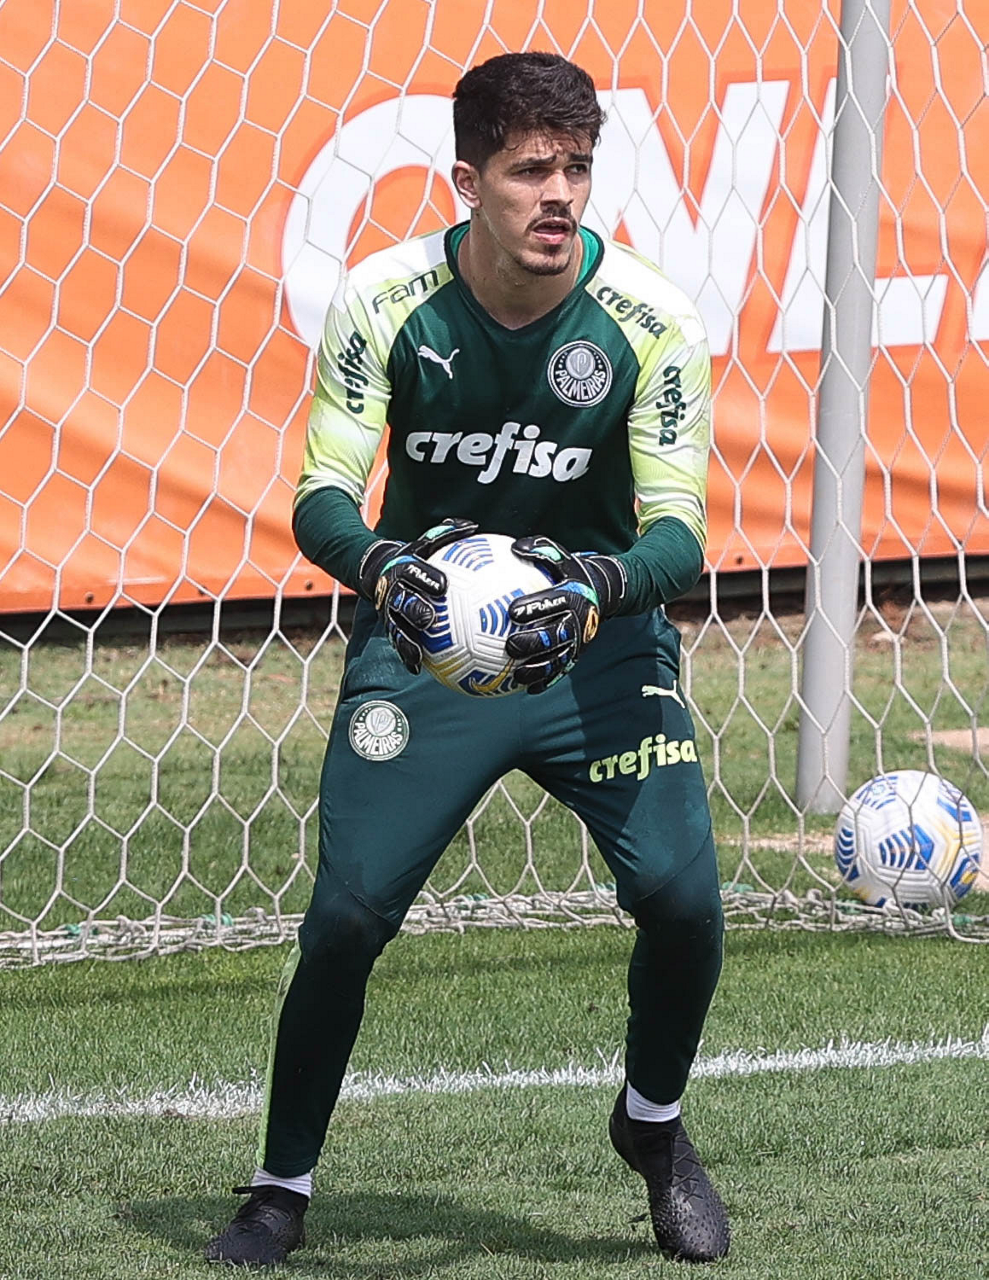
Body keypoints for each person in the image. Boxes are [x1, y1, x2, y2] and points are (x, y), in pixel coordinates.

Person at [205, 50, 729, 1267]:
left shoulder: (651, 320)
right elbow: (320, 497)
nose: (559, 195)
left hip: (596, 653)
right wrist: (383, 567)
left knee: (683, 900)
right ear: (466, 181)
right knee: (345, 914)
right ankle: (280, 1188)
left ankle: (652, 1124)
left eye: (576, 168)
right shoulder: (385, 301)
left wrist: (595, 585)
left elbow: (675, 533)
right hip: (424, 651)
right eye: (529, 170)